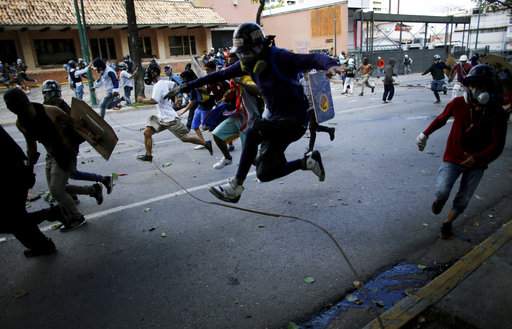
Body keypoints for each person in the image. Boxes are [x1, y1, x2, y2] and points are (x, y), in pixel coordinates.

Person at [173, 23, 337, 203]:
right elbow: (218, 75)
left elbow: (314, 58)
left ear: (260, 47)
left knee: (254, 130)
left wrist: (330, 65)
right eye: (241, 53)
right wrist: (186, 86)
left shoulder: (279, 57)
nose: (243, 57)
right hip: (276, 121)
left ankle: (236, 186)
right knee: (265, 172)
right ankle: (307, 162)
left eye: (247, 52)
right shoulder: (247, 65)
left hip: (294, 121)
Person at [416, 65, 508, 239]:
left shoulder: (497, 113)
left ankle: (447, 223)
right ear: (469, 86)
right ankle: (440, 201)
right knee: (442, 191)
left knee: (464, 198)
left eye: (485, 86)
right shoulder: (458, 104)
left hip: (478, 163)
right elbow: (441, 119)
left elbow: (497, 145)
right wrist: (424, 134)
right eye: (476, 85)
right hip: (453, 157)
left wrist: (478, 158)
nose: (480, 90)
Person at [4, 88, 103, 232]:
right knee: (55, 189)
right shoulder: (21, 123)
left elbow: (75, 125)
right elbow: (31, 148)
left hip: (65, 151)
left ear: (22, 101)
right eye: (8, 105)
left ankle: (76, 217)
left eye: (12, 104)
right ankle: (93, 190)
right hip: (51, 154)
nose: (11, 108)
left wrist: (92, 136)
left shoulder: (50, 111)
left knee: (57, 190)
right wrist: (29, 171)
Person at [0, 124, 65, 257]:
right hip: (16, 172)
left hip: (10, 176)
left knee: (11, 220)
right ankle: (43, 244)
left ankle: (51, 214)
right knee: (16, 216)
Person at [41, 80, 114, 196]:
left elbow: (77, 126)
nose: (52, 97)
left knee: (68, 176)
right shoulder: (46, 108)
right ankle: (96, 185)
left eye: (54, 94)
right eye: (49, 94)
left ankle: (98, 184)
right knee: (69, 175)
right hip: (54, 149)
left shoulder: (63, 109)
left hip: (67, 149)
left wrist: (91, 135)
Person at [135, 63, 213, 162]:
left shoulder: (158, 85)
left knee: (185, 138)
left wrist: (142, 100)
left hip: (170, 119)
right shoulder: (164, 82)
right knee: (147, 132)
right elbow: (175, 86)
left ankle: (206, 143)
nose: (147, 74)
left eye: (149, 72)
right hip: (161, 118)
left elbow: (154, 100)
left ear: (154, 73)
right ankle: (148, 155)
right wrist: (176, 98)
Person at [301, 72, 335, 153]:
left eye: (307, 71)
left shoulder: (314, 80)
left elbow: (321, 88)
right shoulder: (301, 81)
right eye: (305, 72)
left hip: (314, 107)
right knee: (314, 127)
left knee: (312, 128)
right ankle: (329, 130)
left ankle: (310, 149)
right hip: (306, 107)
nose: (307, 74)